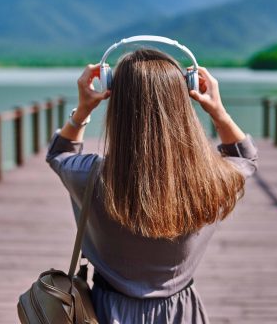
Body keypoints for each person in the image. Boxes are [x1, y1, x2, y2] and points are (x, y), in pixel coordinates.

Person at [46, 49, 258, 324]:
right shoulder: (211, 181)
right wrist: (219, 112)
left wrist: (83, 110)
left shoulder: (89, 176)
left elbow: (59, 154)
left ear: (116, 100)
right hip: (180, 313)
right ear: (185, 96)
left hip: (106, 312)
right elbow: (245, 157)